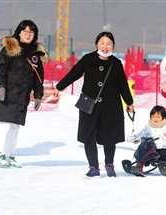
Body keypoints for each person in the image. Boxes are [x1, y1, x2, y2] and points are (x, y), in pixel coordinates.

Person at [52, 31, 134, 178]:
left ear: (113, 46)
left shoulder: (115, 63)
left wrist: (129, 102)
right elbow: (74, 73)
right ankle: (93, 167)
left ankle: (109, 164)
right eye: (102, 43)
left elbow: (122, 84)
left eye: (109, 43)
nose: (105, 46)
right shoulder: (88, 59)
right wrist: (59, 87)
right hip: (88, 104)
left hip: (111, 106)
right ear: (97, 44)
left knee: (110, 137)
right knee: (88, 135)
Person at [0, 20, 47, 168]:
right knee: (6, 125)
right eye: (25, 31)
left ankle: (8, 155)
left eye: (31, 32)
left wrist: (38, 95)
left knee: (15, 126)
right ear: (19, 32)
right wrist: (0, 87)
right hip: (7, 93)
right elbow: (0, 69)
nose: (28, 35)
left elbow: (38, 77)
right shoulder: (10, 48)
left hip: (22, 96)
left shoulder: (36, 53)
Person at [126, 105, 166, 175]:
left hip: (163, 146)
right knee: (141, 151)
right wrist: (135, 137)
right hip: (150, 147)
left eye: (158, 117)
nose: (155, 119)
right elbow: (142, 133)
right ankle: (139, 166)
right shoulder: (149, 126)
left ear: (163, 117)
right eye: (153, 117)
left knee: (163, 154)